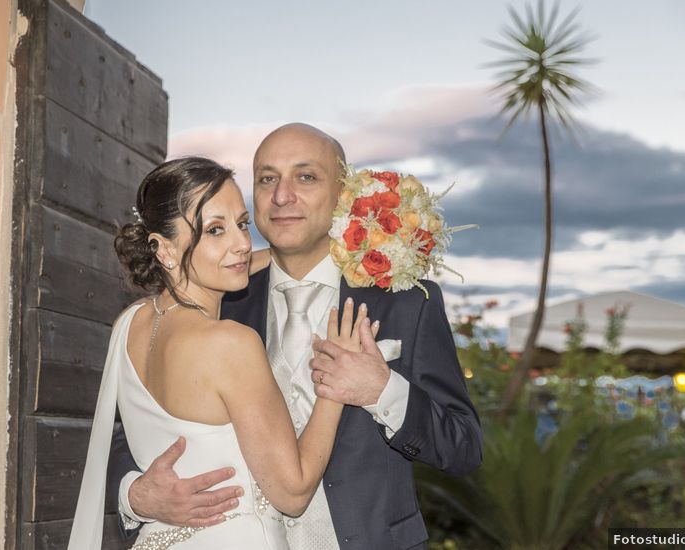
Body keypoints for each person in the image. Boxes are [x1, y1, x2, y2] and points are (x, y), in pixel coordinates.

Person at [106, 124, 483, 550]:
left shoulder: (406, 301)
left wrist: (383, 390)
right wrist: (135, 494)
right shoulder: (215, 300)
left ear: (345, 195)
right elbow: (133, 422)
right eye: (267, 179)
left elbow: (463, 446)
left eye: (305, 177)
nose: (282, 195)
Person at [67, 156, 377, 549]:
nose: (243, 244)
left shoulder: (129, 325)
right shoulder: (230, 343)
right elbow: (293, 493)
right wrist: (334, 383)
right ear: (162, 248)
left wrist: (316, 248)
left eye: (242, 224)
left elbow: (237, 261)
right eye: (215, 230)